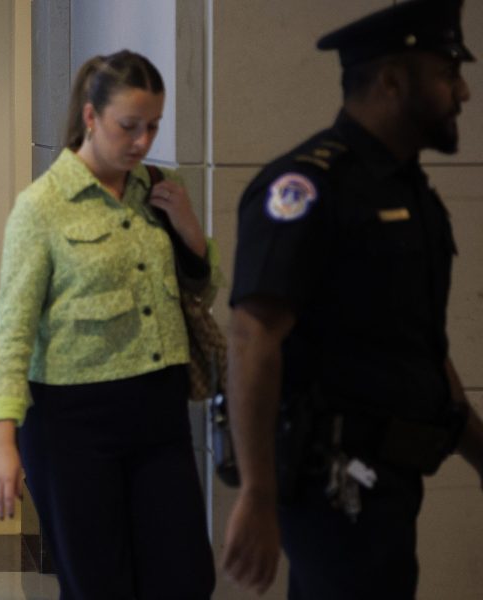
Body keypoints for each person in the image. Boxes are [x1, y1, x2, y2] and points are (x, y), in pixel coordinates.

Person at [221, 1, 483, 597]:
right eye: (447, 73)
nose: (463, 92)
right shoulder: (308, 187)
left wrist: (477, 448)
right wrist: (258, 494)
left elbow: (419, 346)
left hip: (392, 482)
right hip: (333, 487)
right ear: (391, 82)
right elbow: (252, 336)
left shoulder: (412, 194)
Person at [0, 50, 216, 599]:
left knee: (186, 579)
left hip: (161, 416)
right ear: (92, 116)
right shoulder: (43, 206)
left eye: (153, 126)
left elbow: (197, 293)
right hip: (73, 424)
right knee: (98, 586)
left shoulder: (158, 189)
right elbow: (12, 331)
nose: (142, 141)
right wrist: (1, 441)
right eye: (129, 125)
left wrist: (191, 232)